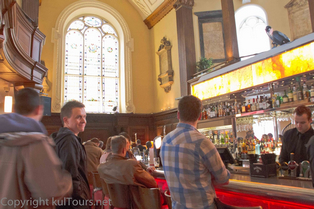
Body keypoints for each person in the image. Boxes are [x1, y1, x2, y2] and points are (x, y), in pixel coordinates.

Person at [0, 88, 72, 209]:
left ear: (13, 109)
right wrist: (66, 183)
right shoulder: (35, 143)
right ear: (39, 109)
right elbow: (51, 192)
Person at [160, 95, 230, 209]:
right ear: (200, 116)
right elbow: (223, 179)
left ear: (178, 114)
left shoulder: (166, 140)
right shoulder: (202, 142)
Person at [52, 100, 90, 209]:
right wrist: (80, 200)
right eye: (79, 117)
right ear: (66, 120)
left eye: (84, 117)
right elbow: (69, 173)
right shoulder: (69, 140)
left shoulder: (62, 137)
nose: (84, 121)